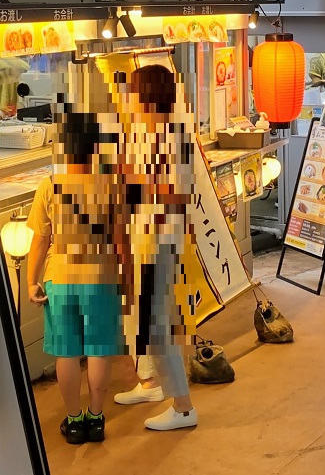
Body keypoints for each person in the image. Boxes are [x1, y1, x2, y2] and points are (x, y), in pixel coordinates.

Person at [27, 107, 124, 444]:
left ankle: (73, 420)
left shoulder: (49, 184)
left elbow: (40, 239)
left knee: (66, 353)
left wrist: (31, 281)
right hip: (101, 276)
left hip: (60, 278)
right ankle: (96, 418)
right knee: (98, 348)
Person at [110, 64, 198, 431]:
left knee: (157, 323)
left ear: (147, 96)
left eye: (133, 91)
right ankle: (151, 383)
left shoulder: (169, 135)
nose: (128, 97)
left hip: (157, 238)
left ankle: (183, 406)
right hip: (145, 234)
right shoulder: (148, 132)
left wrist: (133, 178)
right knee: (140, 315)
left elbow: (173, 193)